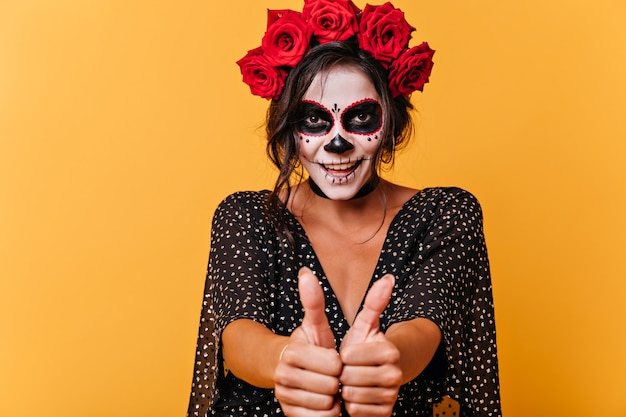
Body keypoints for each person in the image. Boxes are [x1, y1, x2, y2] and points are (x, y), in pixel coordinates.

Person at [188, 1, 501, 416]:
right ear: (288, 129)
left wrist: (387, 357)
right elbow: (237, 334)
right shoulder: (247, 216)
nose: (338, 144)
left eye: (361, 118)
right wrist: (286, 361)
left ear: (391, 122)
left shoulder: (445, 214)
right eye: (314, 121)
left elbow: (425, 324)